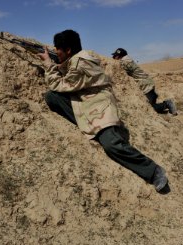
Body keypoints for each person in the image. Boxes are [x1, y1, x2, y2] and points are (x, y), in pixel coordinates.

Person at [38, 29, 169, 193]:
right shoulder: (77, 58)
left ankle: (153, 170)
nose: (56, 51)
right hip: (84, 100)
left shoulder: (80, 62)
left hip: (98, 103)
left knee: (110, 144)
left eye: (58, 49)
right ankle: (88, 125)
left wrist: (49, 64)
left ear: (68, 50)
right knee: (52, 97)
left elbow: (59, 84)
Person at [111, 48, 177, 115]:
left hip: (146, 86)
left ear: (120, 56)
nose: (114, 58)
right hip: (147, 84)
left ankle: (167, 104)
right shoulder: (128, 60)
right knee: (149, 106)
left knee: (149, 109)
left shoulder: (125, 62)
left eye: (116, 56)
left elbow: (119, 72)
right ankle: (162, 106)